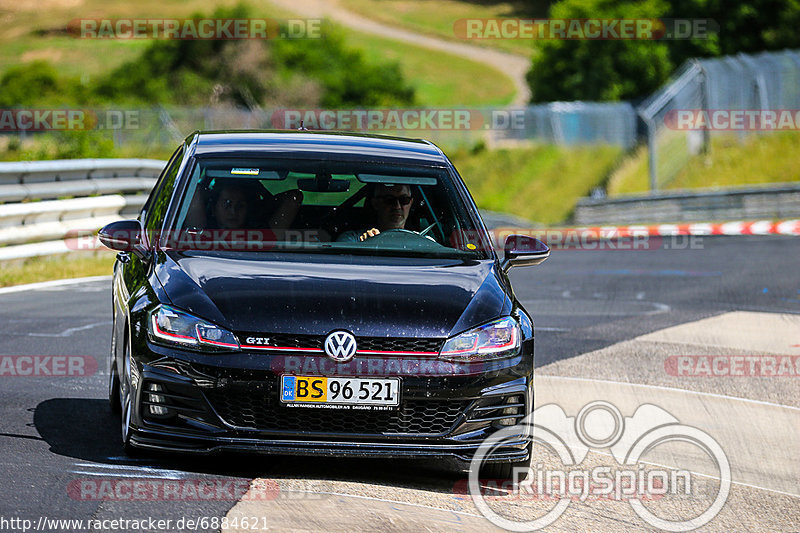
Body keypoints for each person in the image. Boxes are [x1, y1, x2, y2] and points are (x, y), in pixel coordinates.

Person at [337, 183, 414, 242]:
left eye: (404, 200)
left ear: (411, 203)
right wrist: (365, 247)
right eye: (389, 200)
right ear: (375, 203)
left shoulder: (422, 241)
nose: (397, 206)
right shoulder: (353, 240)